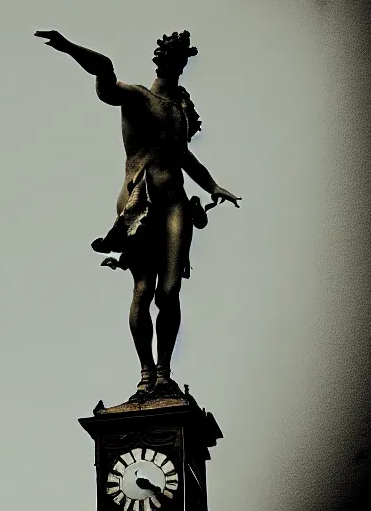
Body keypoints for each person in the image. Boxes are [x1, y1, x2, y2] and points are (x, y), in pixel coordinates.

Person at [35, 29, 241, 401]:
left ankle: (164, 372)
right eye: (169, 54)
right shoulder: (135, 99)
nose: (174, 61)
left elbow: (182, 156)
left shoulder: (179, 111)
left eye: (180, 56)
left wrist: (211, 186)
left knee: (170, 290)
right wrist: (68, 47)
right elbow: (104, 70)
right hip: (140, 201)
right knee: (143, 288)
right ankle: (147, 373)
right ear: (160, 59)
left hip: (176, 199)